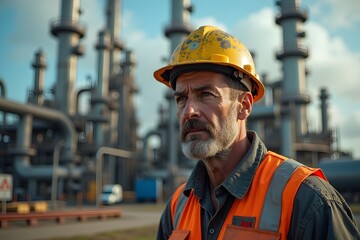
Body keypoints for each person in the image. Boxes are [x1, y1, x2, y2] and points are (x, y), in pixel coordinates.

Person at [153, 25, 360, 240]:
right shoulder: (177, 206)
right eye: (181, 99)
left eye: (206, 94)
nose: (189, 111)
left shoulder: (306, 199)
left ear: (244, 105)